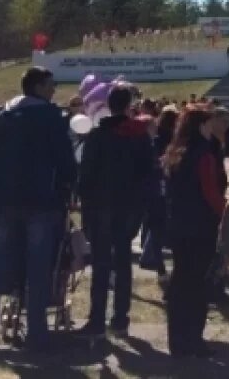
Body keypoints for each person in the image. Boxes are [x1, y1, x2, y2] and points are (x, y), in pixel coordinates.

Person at [0, 67, 76, 358]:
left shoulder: (4, 116)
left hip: (5, 200)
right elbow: (64, 159)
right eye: (51, 84)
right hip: (41, 200)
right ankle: (37, 335)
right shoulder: (51, 117)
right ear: (39, 87)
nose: (54, 89)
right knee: (38, 269)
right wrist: (67, 186)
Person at [76, 85, 155, 339]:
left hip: (101, 205)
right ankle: (120, 318)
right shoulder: (139, 136)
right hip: (128, 207)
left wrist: (84, 203)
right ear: (129, 105)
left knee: (100, 264)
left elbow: (86, 175)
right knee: (122, 262)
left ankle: (96, 319)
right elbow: (148, 174)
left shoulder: (98, 135)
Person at [164, 106, 225, 358]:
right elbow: (211, 193)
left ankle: (177, 339)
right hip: (201, 227)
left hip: (178, 225)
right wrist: (226, 213)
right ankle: (193, 339)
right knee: (198, 285)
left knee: (180, 282)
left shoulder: (176, 151)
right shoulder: (204, 155)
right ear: (202, 125)